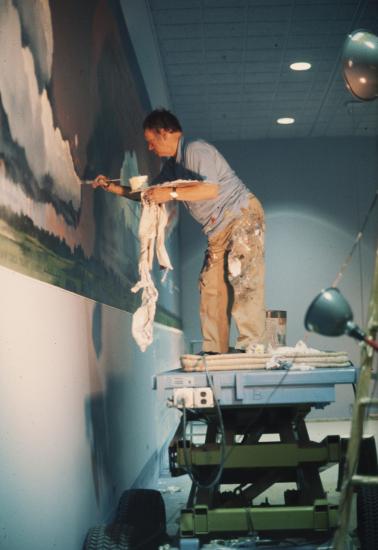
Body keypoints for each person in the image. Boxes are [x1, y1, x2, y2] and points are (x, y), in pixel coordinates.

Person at [93, 108, 265, 355]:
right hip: (217, 230)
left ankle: (253, 348)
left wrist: (171, 193)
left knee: (244, 279)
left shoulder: (195, 149)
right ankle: (216, 351)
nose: (150, 148)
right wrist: (112, 187)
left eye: (151, 141)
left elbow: (210, 190)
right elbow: (150, 194)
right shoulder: (173, 166)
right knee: (211, 287)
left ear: (164, 133)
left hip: (240, 215)